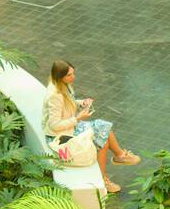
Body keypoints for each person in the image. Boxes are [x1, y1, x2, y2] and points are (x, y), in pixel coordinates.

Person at [44, 60, 140, 194]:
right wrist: (77, 118)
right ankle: (106, 176)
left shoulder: (64, 86)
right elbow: (54, 126)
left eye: (73, 73)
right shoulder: (55, 96)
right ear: (60, 77)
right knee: (103, 140)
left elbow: (68, 104)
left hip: (69, 127)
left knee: (104, 127)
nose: (73, 77)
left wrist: (81, 103)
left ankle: (119, 156)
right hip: (60, 137)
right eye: (69, 75)